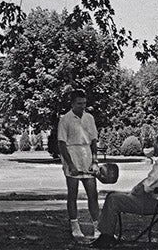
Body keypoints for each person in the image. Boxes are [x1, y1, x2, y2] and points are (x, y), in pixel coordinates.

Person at [90, 130, 158, 248]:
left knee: (112, 198)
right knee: (116, 197)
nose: (153, 145)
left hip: (152, 204)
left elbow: (145, 188)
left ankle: (106, 237)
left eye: (155, 142)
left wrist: (135, 190)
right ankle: (107, 235)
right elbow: (150, 183)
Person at [58, 89, 101, 239]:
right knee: (73, 194)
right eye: (79, 103)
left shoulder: (89, 118)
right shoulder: (65, 119)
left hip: (87, 157)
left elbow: (94, 141)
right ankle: (75, 227)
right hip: (72, 156)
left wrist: (95, 161)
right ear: (72, 103)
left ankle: (97, 227)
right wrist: (70, 164)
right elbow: (62, 144)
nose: (82, 106)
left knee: (93, 194)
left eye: (84, 103)